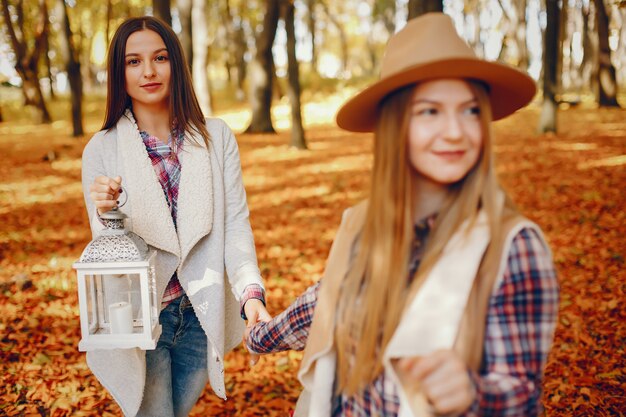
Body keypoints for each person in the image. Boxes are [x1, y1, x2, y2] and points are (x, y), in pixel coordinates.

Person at [244, 12, 559, 417]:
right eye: (430, 111)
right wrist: (258, 337)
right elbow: (323, 307)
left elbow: (521, 391)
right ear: (395, 126)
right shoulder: (364, 226)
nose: (455, 131)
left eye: (470, 111)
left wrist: (473, 392)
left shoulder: (511, 245)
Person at [81, 16, 271, 417]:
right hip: (143, 321)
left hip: (202, 314)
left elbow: (235, 223)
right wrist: (105, 210)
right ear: (120, 72)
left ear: (176, 66)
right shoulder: (102, 149)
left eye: (160, 58)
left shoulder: (216, 138)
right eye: (133, 62)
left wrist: (251, 295)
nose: (148, 71)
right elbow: (107, 252)